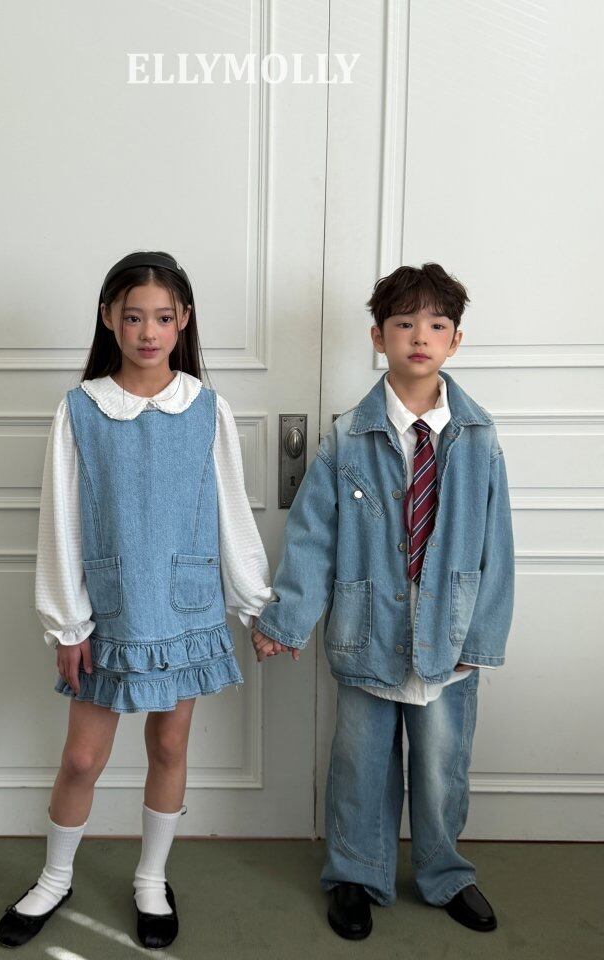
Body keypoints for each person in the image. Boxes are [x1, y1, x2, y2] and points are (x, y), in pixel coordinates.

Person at [0, 250, 274, 949]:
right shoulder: (81, 410)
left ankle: (152, 878)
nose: (149, 332)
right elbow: (60, 520)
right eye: (133, 317)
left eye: (163, 318)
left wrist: (255, 605)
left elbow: (231, 511)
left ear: (184, 321)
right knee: (82, 759)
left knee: (169, 744)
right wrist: (67, 623)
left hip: (186, 608)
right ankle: (55, 877)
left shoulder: (207, 408)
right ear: (108, 319)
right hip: (111, 610)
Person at [251, 263, 515, 939]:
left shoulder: (479, 438)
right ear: (378, 336)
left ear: (455, 340)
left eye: (436, 325)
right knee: (360, 766)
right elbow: (313, 536)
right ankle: (355, 875)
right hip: (368, 632)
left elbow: (497, 546)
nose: (419, 337)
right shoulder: (347, 437)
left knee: (441, 768)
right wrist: (287, 620)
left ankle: (445, 872)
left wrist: (482, 639)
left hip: (448, 635)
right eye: (404, 324)